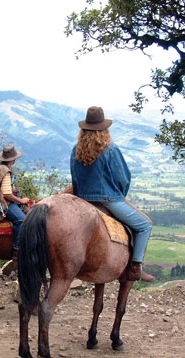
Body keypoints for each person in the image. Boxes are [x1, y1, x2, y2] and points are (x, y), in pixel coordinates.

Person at [70, 106, 155, 282]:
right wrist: (119, 195)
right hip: (108, 200)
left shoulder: (76, 150)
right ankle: (135, 267)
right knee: (144, 225)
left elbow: (75, 178)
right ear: (104, 129)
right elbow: (123, 178)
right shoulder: (110, 149)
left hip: (81, 200)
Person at [0, 144, 30, 253]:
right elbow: (7, 194)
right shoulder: (5, 171)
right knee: (22, 221)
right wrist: (21, 200)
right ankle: (17, 249)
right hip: (4, 202)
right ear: (12, 160)